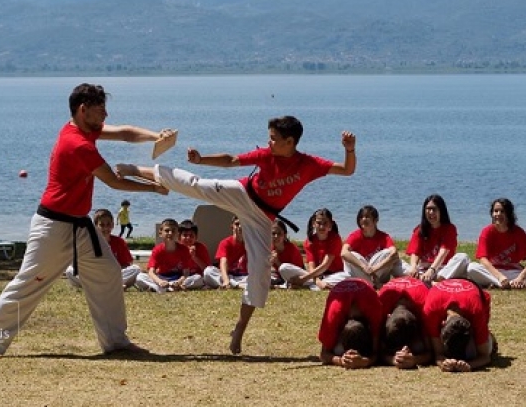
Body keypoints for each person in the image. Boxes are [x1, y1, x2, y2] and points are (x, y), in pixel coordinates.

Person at [116, 115, 356, 354]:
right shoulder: (266, 154)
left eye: (273, 138)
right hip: (243, 194)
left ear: (290, 141)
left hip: (263, 218)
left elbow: (347, 170)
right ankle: (138, 169)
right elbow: (231, 160)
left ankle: (239, 328)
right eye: (269, 138)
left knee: (261, 272)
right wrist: (201, 159)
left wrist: (349, 149)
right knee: (197, 185)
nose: (269, 142)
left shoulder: (309, 164)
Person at [0, 83, 172, 360]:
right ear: (83, 110)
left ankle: (115, 341)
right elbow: (114, 181)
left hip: (80, 225)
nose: (106, 114)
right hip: (53, 227)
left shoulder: (84, 130)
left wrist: (156, 136)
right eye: (100, 109)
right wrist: (154, 187)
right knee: (29, 282)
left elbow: (126, 133)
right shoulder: (77, 143)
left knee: (108, 273)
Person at [466, 198, 526, 289]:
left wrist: (520, 277)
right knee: (472, 268)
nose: (498, 214)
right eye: (495, 211)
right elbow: (483, 260)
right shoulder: (487, 232)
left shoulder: (518, 232)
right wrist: (500, 277)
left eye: (502, 211)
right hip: (494, 272)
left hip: (514, 272)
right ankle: (512, 284)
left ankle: (509, 284)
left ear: (509, 214)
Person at [423, 278, 496, 372]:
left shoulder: (476, 312)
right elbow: (438, 353)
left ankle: (489, 336)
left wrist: (469, 365)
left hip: (477, 299)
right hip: (451, 293)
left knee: (479, 351)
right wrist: (443, 363)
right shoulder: (431, 310)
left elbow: (485, 356)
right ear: (442, 323)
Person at [65, 208, 140, 290]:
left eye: (108, 224)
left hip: (113, 275)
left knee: (135, 269)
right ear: (95, 226)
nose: (106, 228)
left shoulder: (119, 242)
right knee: (70, 270)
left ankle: (102, 286)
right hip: (94, 276)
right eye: (102, 225)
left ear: (112, 225)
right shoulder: (88, 242)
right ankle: (109, 286)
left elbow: (126, 264)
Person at [318, 278, 383, 369]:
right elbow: (323, 354)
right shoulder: (335, 314)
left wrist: (364, 361)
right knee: (337, 350)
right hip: (345, 294)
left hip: (363, 290)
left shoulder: (374, 312)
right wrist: (341, 360)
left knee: (337, 350)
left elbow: (377, 352)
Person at [280, 208, 350, 290]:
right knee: (284, 268)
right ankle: (315, 285)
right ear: (313, 223)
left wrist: (303, 279)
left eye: (325, 223)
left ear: (330, 225)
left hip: (334, 275)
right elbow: (311, 267)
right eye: (319, 223)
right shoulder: (309, 242)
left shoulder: (335, 238)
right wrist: (317, 281)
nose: (322, 226)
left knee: (347, 277)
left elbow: (325, 265)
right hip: (315, 276)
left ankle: (308, 285)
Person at [404, 194, 469, 283]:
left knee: (463, 257)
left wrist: (432, 270)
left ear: (441, 211)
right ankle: (425, 279)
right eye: (428, 209)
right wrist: (413, 267)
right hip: (423, 268)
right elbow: (415, 253)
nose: (431, 212)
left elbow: (443, 253)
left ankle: (435, 279)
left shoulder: (449, 229)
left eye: (434, 209)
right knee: (397, 262)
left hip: (442, 268)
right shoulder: (419, 230)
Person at [341, 205, 403, 288]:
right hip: (362, 272)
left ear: (376, 220)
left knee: (387, 253)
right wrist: (364, 267)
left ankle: (370, 284)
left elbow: (394, 254)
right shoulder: (355, 235)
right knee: (351, 254)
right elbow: (343, 253)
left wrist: (375, 268)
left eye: (367, 217)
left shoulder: (383, 236)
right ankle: (372, 284)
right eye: (361, 217)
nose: (363, 219)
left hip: (378, 274)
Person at [378, 276, 432, 369]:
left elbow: (431, 352)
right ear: (388, 316)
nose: (404, 348)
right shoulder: (380, 305)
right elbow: (377, 351)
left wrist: (415, 359)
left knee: (418, 347)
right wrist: (392, 359)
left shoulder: (425, 309)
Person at [135, 218, 191, 292]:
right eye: (167, 231)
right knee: (140, 277)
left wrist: (179, 281)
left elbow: (186, 273)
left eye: (173, 231)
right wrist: (160, 282)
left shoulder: (184, 249)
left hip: (176, 279)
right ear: (160, 233)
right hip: (161, 278)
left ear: (178, 233)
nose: (170, 233)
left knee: (197, 278)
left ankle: (164, 288)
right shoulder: (157, 250)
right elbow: (151, 272)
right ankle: (164, 288)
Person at [203, 217, 248, 290]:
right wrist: (226, 279)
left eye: (242, 224)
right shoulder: (225, 243)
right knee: (208, 271)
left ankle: (234, 285)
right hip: (227, 275)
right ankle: (234, 285)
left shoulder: (251, 243)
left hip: (243, 277)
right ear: (232, 227)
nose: (240, 226)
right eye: (237, 224)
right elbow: (223, 262)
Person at [177, 218, 211, 290]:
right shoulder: (175, 248)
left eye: (191, 235)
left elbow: (207, 270)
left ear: (196, 237)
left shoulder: (201, 247)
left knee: (198, 278)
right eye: (185, 235)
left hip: (196, 277)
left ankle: (182, 286)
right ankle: (179, 285)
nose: (188, 238)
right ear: (179, 237)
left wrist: (194, 257)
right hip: (179, 277)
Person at [270, 219, 304, 287]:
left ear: (285, 235)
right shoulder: (270, 248)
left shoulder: (292, 249)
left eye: (279, 233)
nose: (276, 236)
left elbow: (294, 271)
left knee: (284, 267)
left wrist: (277, 261)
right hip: (279, 277)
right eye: (273, 233)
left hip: (299, 276)